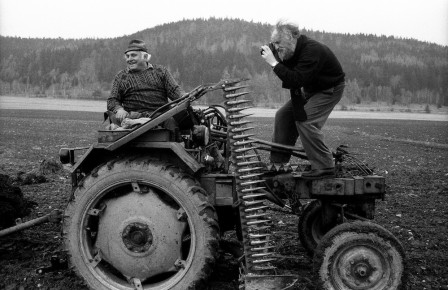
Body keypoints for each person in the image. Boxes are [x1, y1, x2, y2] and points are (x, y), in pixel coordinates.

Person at [260, 21, 345, 179]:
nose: (277, 47)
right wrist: (276, 57)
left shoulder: (312, 51)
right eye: (274, 43)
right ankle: (278, 165)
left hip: (329, 89)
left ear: (291, 37)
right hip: (310, 90)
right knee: (283, 116)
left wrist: (273, 62)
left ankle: (324, 166)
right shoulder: (291, 51)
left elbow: (295, 79)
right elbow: (288, 72)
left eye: (279, 43)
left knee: (306, 121)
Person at [107, 39, 184, 133]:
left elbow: (175, 91)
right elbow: (112, 100)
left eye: (133, 55)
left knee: (180, 119)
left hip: (160, 115)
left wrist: (183, 96)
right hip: (133, 117)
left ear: (145, 56)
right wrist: (119, 109)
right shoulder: (121, 77)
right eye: (127, 56)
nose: (129, 59)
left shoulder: (161, 71)